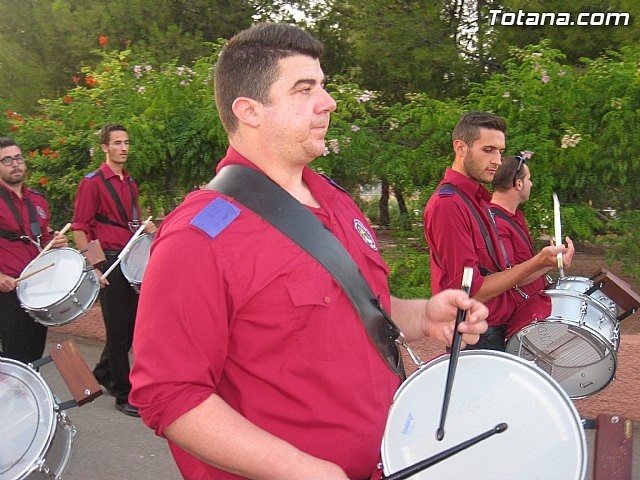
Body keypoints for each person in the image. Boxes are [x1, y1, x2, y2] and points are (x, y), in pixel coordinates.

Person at [130, 22, 488, 480]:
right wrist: (301, 470)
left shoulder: (334, 199)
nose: (328, 102)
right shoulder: (199, 237)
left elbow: (348, 309)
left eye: (323, 85)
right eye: (304, 89)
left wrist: (422, 315)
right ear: (250, 111)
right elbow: (169, 394)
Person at [423, 111, 572, 351]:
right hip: (477, 337)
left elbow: (503, 278)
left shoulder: (478, 200)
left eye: (500, 152)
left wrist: (548, 262)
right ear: (461, 148)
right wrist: (538, 261)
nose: (498, 161)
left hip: (497, 329)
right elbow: (470, 291)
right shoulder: (448, 204)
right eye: (488, 150)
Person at [71, 123, 156, 417]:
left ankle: (104, 372)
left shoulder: (129, 183)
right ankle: (123, 393)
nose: (123, 148)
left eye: (126, 142)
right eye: (117, 143)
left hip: (128, 258)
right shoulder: (92, 182)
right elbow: (80, 228)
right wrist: (95, 265)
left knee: (129, 327)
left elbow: (126, 223)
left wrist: (144, 226)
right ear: (105, 148)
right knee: (119, 331)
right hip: (108, 261)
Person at [0, 137, 69, 363]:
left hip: (37, 289)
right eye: (7, 160)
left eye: (18, 158)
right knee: (15, 357)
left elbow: (44, 238)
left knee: (33, 353)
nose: (15, 164)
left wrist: (56, 242)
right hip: (7, 291)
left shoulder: (37, 200)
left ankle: (28, 395)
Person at [489, 154, 574, 337]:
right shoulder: (496, 223)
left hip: (530, 315)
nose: (531, 184)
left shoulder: (513, 217)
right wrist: (544, 260)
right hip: (513, 323)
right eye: (529, 179)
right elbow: (511, 279)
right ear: (518, 184)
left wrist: (552, 262)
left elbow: (525, 271)